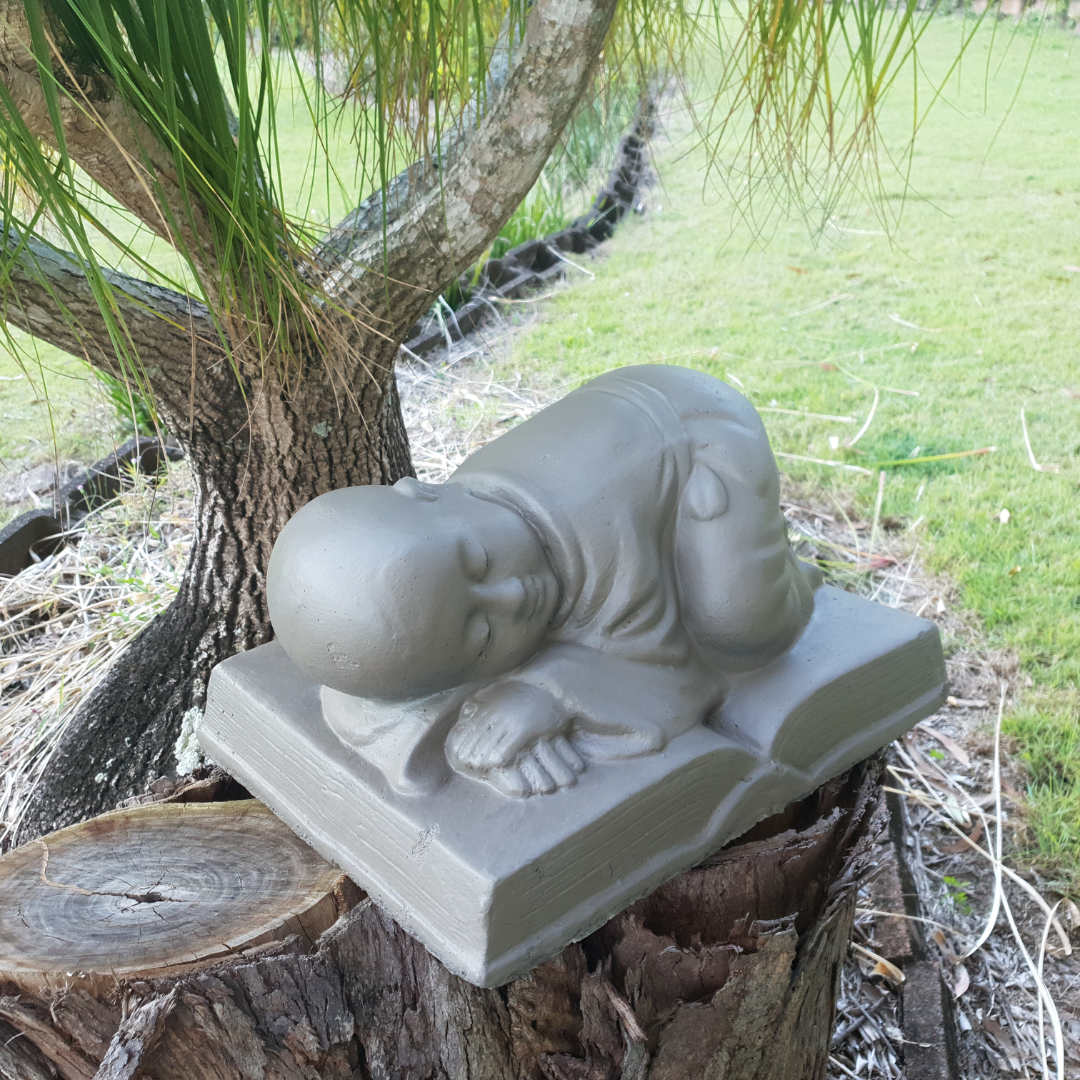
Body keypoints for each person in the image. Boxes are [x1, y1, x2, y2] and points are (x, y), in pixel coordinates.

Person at [267, 365, 819, 797]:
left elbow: (680, 674)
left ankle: (795, 581)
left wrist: (550, 695)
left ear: (430, 490)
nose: (511, 595)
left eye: (479, 562)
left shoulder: (598, 541)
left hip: (703, 437)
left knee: (740, 622)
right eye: (482, 633)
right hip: (620, 414)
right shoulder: (450, 536)